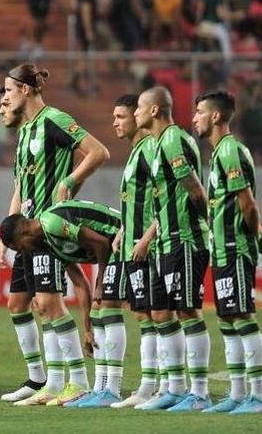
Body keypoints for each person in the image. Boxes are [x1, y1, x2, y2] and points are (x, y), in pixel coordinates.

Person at [0, 63, 109, 407]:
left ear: (26, 90)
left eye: (8, 90)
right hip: (25, 231)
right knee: (23, 303)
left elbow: (98, 152)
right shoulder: (24, 132)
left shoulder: (54, 120)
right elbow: (21, 183)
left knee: (48, 302)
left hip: (47, 229)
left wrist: (69, 181)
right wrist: (7, 231)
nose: (4, 96)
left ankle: (75, 381)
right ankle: (47, 381)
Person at [191, 91, 262, 414]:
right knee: (227, 318)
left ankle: (258, 397)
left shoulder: (230, 152)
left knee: (242, 316)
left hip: (235, 248)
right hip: (222, 250)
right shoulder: (220, 154)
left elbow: (247, 204)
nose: (194, 118)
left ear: (215, 117)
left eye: (199, 112)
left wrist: (257, 236)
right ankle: (238, 395)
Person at [130, 85, 212, 411]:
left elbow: (194, 189)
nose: (135, 112)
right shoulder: (157, 143)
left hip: (185, 239)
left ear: (153, 111)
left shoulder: (175, 139)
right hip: (166, 240)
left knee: (188, 311)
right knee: (162, 312)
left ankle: (200, 392)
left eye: (138, 107)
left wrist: (210, 227)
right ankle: (174, 389)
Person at [0, 200, 122, 407]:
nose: (26, 252)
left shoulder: (52, 223)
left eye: (21, 248)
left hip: (128, 236)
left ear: (24, 233)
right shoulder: (48, 243)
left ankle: (113, 389)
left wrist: (100, 282)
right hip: (117, 246)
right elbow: (80, 283)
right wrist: (87, 329)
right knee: (101, 313)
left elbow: (101, 243)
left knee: (112, 309)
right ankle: (102, 389)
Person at [104, 95, 162, 409]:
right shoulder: (137, 151)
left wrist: (146, 237)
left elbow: (166, 197)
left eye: (121, 116)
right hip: (132, 243)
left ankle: (156, 386)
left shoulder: (151, 149)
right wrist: (124, 231)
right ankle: (154, 385)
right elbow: (140, 201)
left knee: (155, 313)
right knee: (143, 313)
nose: (115, 122)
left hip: (147, 247)